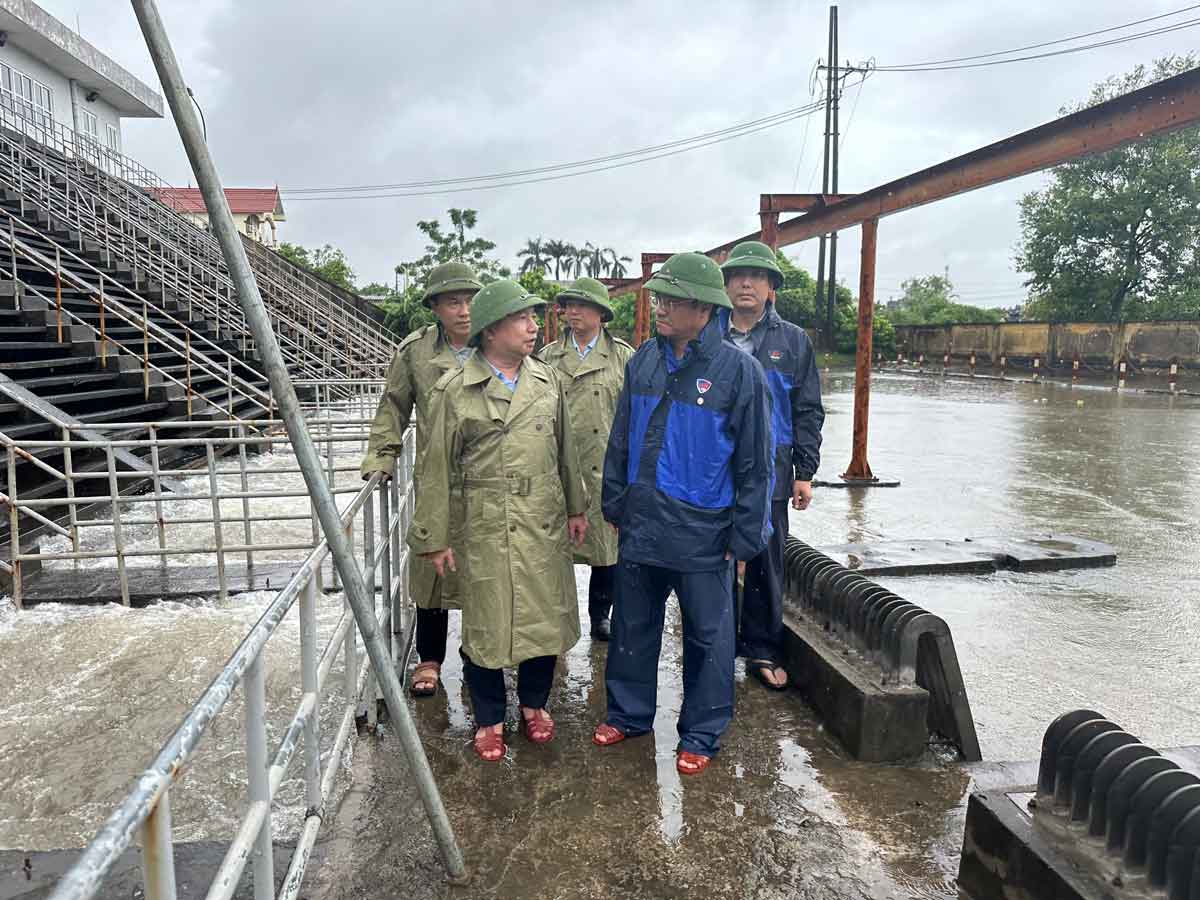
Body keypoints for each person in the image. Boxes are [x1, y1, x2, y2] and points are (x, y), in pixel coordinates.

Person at [592, 252, 773, 776]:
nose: (661, 307)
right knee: (632, 626)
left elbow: (756, 462)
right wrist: (614, 500)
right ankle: (629, 715)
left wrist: (745, 538)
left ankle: (701, 731)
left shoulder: (740, 372)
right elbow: (621, 437)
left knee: (709, 638)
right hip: (643, 524)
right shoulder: (643, 360)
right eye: (660, 298)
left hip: (703, 531)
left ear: (703, 307)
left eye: (671, 300)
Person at [408, 279, 589, 762]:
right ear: (491, 332)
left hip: (543, 519)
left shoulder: (547, 380)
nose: (534, 327)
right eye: (522, 319)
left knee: (542, 618)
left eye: (534, 318)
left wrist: (576, 507)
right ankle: (489, 717)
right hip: (484, 523)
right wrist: (434, 535)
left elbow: (565, 451)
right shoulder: (455, 389)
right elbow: (435, 468)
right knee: (486, 626)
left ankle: (534, 705)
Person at [360, 261, 481, 697]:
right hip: (437, 478)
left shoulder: (498, 344)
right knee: (432, 567)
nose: (464, 310)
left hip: (490, 477)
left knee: (485, 567)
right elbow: (393, 406)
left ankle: (479, 655)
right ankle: (429, 658)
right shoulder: (417, 352)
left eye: (470, 300)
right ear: (435, 307)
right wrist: (382, 457)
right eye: (453, 302)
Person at [720, 241, 825, 692]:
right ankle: (717, 648)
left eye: (757, 277)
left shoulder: (793, 341)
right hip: (715, 469)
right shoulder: (708, 334)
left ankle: (763, 647)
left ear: (771, 289)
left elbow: (808, 410)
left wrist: (805, 470)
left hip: (773, 471)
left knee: (766, 558)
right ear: (724, 285)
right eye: (738, 275)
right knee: (712, 558)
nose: (747, 283)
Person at [537, 277, 634, 641]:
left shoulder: (624, 357)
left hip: (605, 468)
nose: (572, 311)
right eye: (568, 305)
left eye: (581, 305)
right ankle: (552, 616)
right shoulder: (547, 357)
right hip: (558, 468)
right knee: (552, 548)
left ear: (601, 313)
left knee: (606, 550)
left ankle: (600, 615)